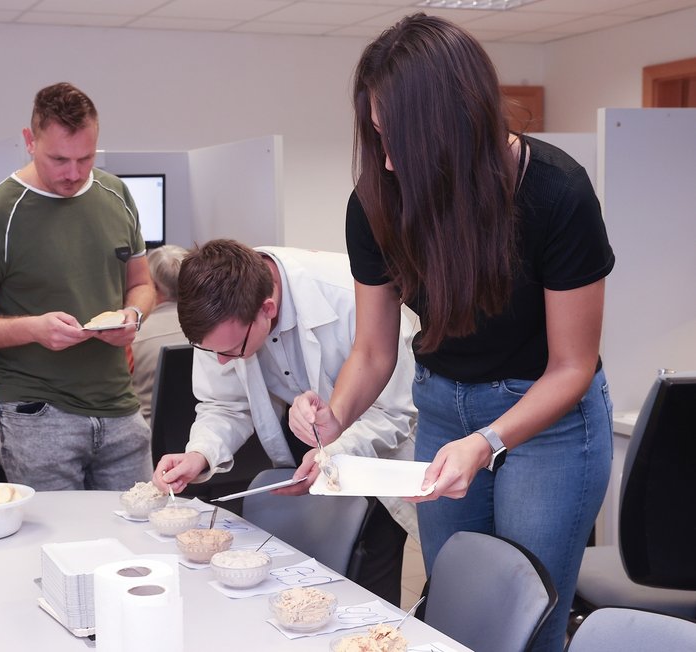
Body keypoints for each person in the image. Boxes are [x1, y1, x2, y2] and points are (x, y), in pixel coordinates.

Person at [289, 15, 615, 651]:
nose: (384, 159)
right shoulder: (377, 200)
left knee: (529, 620)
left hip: (547, 420)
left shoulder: (555, 192)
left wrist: (488, 440)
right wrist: (334, 417)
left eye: (399, 141)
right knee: (458, 608)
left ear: (456, 127)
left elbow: (572, 367)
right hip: (442, 408)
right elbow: (375, 349)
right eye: (377, 137)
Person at [153, 239, 417, 605]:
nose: (223, 363)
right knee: (303, 586)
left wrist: (333, 452)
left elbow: (395, 413)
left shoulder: (350, 297)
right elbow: (225, 404)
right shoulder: (222, 312)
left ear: (268, 308)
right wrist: (198, 454)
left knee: (367, 590)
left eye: (230, 351)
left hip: (373, 455)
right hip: (300, 451)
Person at [0, 82, 155, 492]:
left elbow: (142, 284)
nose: (74, 173)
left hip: (119, 408)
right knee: (57, 548)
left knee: (138, 540)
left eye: (86, 158)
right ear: (29, 141)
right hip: (38, 415)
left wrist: (134, 316)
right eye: (59, 159)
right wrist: (34, 329)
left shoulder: (117, 194)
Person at [131, 244, 188, 426]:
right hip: (203, 437)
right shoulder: (215, 331)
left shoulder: (131, 337)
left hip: (150, 441)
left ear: (152, 286)